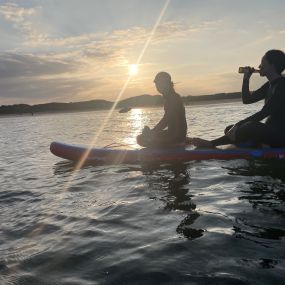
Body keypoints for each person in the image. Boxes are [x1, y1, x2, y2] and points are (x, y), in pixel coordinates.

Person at [191, 49, 285, 148]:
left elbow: (263, 113)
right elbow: (247, 99)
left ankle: (211, 143)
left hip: (281, 135)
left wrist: (238, 125)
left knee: (248, 126)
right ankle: (257, 144)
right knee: (229, 129)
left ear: (272, 65)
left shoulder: (282, 86)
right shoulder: (269, 85)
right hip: (271, 131)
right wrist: (246, 79)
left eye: (262, 63)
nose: (259, 66)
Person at [137, 72, 187, 147]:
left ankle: (177, 143)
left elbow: (166, 120)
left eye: (159, 84)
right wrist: (152, 132)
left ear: (166, 84)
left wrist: (152, 132)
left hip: (176, 136)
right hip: (174, 134)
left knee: (141, 139)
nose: (157, 87)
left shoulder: (173, 98)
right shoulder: (170, 97)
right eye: (156, 84)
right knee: (142, 137)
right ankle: (182, 140)